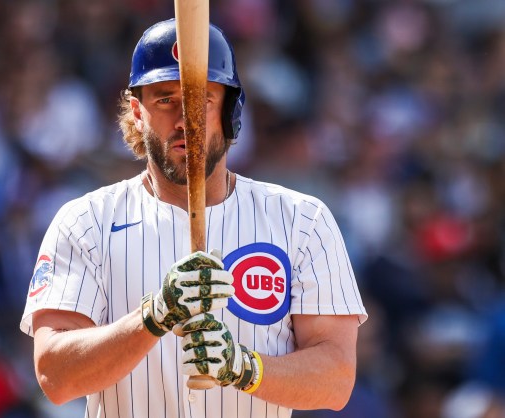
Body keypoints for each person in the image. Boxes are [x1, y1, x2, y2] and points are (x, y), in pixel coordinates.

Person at [20, 18, 368, 418]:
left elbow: (336, 378)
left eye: (200, 99)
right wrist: (153, 317)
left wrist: (243, 366)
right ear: (137, 112)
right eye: (165, 99)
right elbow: (55, 376)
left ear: (230, 111)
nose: (185, 119)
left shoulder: (301, 220)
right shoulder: (86, 222)